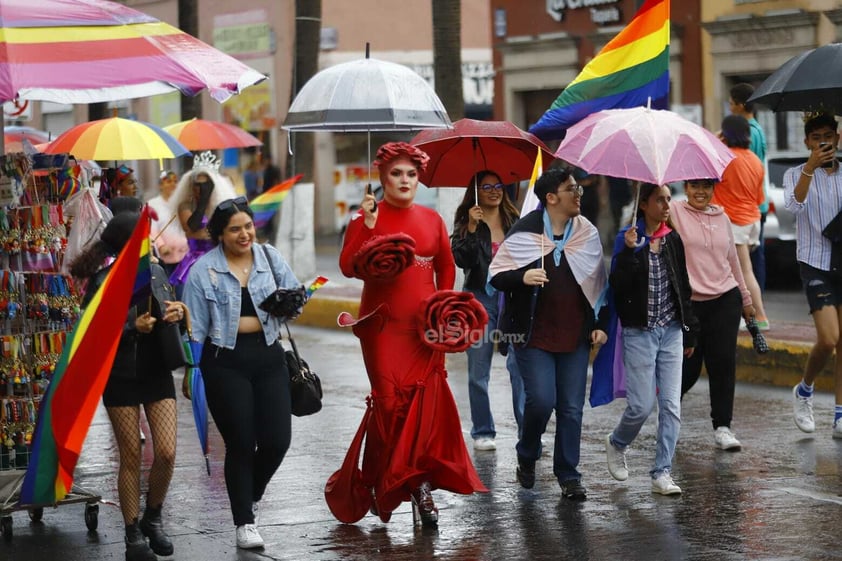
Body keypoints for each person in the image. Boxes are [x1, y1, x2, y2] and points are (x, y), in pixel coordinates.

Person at [336, 141, 486, 527]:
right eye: (397, 174)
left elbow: (447, 267)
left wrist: (442, 307)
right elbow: (347, 267)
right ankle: (383, 479)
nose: (405, 180)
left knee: (422, 410)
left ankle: (417, 486)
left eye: (412, 174)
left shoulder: (432, 218)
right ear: (382, 177)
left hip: (424, 330)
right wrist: (366, 227)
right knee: (389, 405)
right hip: (381, 327)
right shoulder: (365, 216)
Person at [182, 197, 300, 549]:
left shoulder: (269, 257)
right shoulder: (204, 271)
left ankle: (250, 494)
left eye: (248, 226)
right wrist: (192, 370)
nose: (245, 233)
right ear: (220, 234)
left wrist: (291, 301)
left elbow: (296, 297)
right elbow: (194, 327)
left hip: (269, 358)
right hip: (224, 363)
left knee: (278, 441)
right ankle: (244, 523)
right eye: (235, 229)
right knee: (241, 443)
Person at [69, 211, 187, 561]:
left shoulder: (157, 271)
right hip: (120, 376)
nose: (150, 240)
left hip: (157, 372)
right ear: (126, 245)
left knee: (166, 452)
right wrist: (133, 326)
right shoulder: (103, 280)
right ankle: (132, 532)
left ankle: (153, 517)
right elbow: (90, 335)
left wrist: (180, 312)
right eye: (141, 236)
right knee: (131, 457)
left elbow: (173, 312)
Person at [489, 168, 608, 501]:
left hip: (575, 335)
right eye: (572, 189)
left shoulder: (587, 233)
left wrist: (600, 324)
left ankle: (569, 474)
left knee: (571, 409)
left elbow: (599, 283)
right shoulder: (524, 231)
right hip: (533, 335)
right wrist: (522, 277)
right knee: (541, 401)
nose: (579, 193)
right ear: (552, 198)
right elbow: (497, 275)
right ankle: (527, 454)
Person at [603, 183, 698, 496]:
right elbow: (617, 286)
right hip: (639, 333)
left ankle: (662, 472)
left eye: (669, 199)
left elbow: (683, 286)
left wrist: (690, 329)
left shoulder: (672, 240)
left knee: (671, 406)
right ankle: (617, 442)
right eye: (660, 200)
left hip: (670, 330)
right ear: (643, 204)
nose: (667, 205)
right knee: (641, 406)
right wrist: (630, 252)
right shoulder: (627, 239)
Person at [671, 178, 755, 451]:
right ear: (685, 187)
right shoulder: (674, 211)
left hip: (725, 299)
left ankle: (723, 427)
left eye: (706, 186)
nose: (700, 192)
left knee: (723, 363)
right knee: (689, 368)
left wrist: (746, 298)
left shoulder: (722, 217)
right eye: (694, 186)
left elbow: (733, 260)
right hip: (690, 304)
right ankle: (669, 415)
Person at [451, 170, 524, 451]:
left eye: (498, 185)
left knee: (520, 368)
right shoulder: (467, 221)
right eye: (487, 186)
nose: (494, 190)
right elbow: (462, 260)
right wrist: (471, 227)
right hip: (479, 300)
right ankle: (482, 430)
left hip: (513, 300)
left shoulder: (516, 222)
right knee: (478, 371)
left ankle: (526, 431)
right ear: (477, 191)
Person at [783, 112, 842, 439]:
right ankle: (805, 390)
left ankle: (839, 415)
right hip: (815, 263)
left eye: (829, 135)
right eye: (817, 136)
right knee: (829, 338)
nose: (824, 141)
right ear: (807, 141)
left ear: (838, 137)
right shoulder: (795, 173)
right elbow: (794, 204)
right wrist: (810, 167)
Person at [712, 115, 770, 329]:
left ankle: (760, 317)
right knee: (738, 272)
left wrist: (717, 142)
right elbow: (759, 197)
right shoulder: (754, 160)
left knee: (743, 272)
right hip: (752, 221)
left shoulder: (725, 158)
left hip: (734, 223)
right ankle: (742, 315)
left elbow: (707, 172)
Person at [167, 152, 236, 287]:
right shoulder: (185, 206)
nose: (201, 189)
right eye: (198, 185)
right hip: (194, 262)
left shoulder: (220, 205)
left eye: (206, 185)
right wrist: (203, 201)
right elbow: (192, 228)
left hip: (220, 260)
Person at [730, 82, 769, 293]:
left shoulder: (749, 133)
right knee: (753, 258)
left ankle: (755, 306)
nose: (729, 107)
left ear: (741, 105)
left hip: (749, 206)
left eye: (732, 103)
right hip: (755, 204)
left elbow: (747, 171)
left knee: (750, 261)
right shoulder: (757, 129)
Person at [147, 170, 188, 278]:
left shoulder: (182, 203)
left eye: (175, 181)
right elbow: (152, 229)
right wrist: (161, 245)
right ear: (161, 185)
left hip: (184, 255)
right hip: (164, 257)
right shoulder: (153, 204)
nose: (173, 184)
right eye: (168, 182)